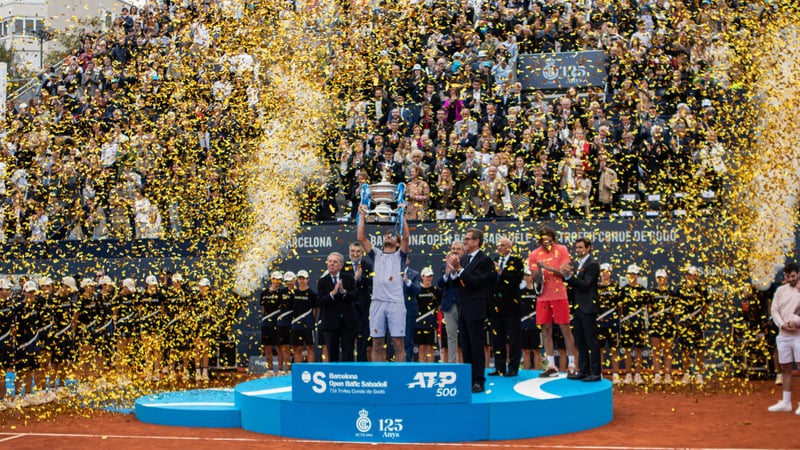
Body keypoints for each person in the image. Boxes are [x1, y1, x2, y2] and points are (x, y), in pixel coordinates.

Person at [357, 204, 410, 363]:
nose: (388, 237)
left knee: (398, 343)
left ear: (397, 244)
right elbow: (361, 237)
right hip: (377, 302)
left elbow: (406, 238)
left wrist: (402, 215)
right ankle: (377, 375)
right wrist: (361, 215)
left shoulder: (400, 256)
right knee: (377, 343)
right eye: (387, 235)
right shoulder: (376, 254)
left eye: (392, 235)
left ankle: (400, 373)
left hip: (396, 303)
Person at [446, 228, 495, 393]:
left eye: (467, 239)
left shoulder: (485, 260)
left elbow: (476, 282)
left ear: (476, 241)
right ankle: (469, 379)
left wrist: (460, 269)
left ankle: (479, 380)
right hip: (463, 308)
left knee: (476, 346)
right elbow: (457, 284)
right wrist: (453, 271)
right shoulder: (465, 259)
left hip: (476, 308)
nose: (465, 241)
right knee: (465, 346)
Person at [528, 226, 577, 377]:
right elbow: (534, 278)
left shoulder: (561, 249)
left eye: (549, 241)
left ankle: (572, 365)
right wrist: (538, 271)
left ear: (553, 239)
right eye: (544, 241)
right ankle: (551, 365)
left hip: (559, 295)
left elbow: (564, 272)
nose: (547, 244)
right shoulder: (534, 254)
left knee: (565, 329)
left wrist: (547, 267)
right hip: (543, 296)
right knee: (546, 330)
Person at [563, 237, 602, 382]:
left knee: (591, 341)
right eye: (577, 247)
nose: (578, 250)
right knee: (580, 341)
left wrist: (569, 277)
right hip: (577, 308)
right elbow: (572, 284)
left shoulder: (593, 264)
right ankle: (584, 370)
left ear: (588, 248)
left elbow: (586, 285)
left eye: (581, 247)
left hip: (588, 307)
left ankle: (596, 372)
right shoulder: (575, 264)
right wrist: (566, 277)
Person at [767, 262, 800, 413]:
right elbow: (774, 310)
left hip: (798, 335)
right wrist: (781, 325)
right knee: (785, 368)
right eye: (788, 276)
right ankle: (786, 402)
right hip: (783, 335)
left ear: (798, 274)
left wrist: (796, 323)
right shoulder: (780, 290)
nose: (790, 279)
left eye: (793, 276)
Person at [488, 237, 524, 377]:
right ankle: (499, 367)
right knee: (497, 338)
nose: (500, 247)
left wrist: (501, 272)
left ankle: (513, 367)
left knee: (514, 338)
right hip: (495, 306)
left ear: (509, 247)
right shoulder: (493, 261)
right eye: (499, 245)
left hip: (511, 306)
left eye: (503, 245)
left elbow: (517, 280)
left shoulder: (517, 261)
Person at [317, 252, 358, 362]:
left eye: (335, 262)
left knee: (348, 354)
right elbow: (320, 301)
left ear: (341, 265)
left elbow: (355, 296)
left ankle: (348, 372)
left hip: (347, 323)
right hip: (330, 323)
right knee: (332, 354)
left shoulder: (348, 278)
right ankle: (334, 373)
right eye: (330, 261)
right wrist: (332, 293)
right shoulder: (322, 281)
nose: (331, 264)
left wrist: (344, 292)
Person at [675, 265, 709, 386]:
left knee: (699, 349)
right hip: (685, 324)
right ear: (686, 276)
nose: (690, 277)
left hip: (697, 324)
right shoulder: (680, 290)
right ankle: (686, 374)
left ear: (696, 276)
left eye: (693, 275)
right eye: (688, 275)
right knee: (685, 350)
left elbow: (706, 306)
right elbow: (676, 306)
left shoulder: (702, 290)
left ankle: (699, 375)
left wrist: (699, 318)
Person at [342, 242, 373, 362]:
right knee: (348, 336)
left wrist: (360, 278)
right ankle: (348, 363)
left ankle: (362, 362)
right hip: (348, 306)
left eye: (358, 251)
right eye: (353, 251)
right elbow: (343, 284)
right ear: (349, 252)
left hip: (364, 306)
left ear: (362, 253)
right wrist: (354, 278)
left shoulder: (367, 265)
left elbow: (372, 281)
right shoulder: (344, 266)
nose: (355, 254)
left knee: (363, 335)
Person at [619, 264, 649, 385]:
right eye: (630, 274)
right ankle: (628, 375)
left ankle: (637, 375)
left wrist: (644, 322)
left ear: (638, 276)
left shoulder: (643, 290)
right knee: (627, 350)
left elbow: (647, 307)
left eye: (634, 274)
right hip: (626, 323)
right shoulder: (623, 290)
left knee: (638, 350)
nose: (632, 276)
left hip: (639, 324)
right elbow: (619, 307)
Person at [437, 241, 464, 363]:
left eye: (458, 249)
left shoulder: (466, 265)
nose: (455, 251)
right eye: (453, 248)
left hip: (463, 304)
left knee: (466, 335)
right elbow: (440, 284)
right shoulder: (444, 266)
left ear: (463, 251)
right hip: (449, 305)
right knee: (451, 336)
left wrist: (455, 272)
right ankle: (452, 363)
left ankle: (466, 363)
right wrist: (447, 273)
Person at [649, 269, 677, 385]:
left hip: (668, 326)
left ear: (666, 279)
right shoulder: (652, 294)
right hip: (655, 326)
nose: (660, 280)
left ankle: (667, 375)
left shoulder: (672, 294)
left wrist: (668, 320)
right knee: (656, 351)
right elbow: (649, 309)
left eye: (662, 277)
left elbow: (675, 311)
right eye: (658, 278)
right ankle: (657, 375)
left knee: (667, 351)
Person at [597, 264, 622, 383]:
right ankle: (599, 373)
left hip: (613, 324)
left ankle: (615, 374)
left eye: (607, 271)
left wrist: (616, 318)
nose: (604, 273)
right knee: (599, 349)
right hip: (599, 324)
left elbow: (620, 307)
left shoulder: (616, 288)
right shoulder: (596, 287)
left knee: (614, 349)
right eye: (602, 271)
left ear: (611, 273)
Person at [289, 270, 317, 363]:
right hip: (296, 325)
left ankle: (311, 369)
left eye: (303, 278)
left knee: (310, 348)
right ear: (297, 280)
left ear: (307, 280)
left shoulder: (312, 294)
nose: (301, 281)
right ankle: (298, 369)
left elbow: (315, 310)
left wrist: (309, 321)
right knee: (297, 349)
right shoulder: (293, 293)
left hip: (308, 326)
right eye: (300, 278)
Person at [415, 267, 441, 362]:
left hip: (431, 323)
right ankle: (421, 367)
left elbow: (439, 305)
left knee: (430, 346)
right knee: (421, 346)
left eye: (430, 276)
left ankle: (431, 367)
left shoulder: (435, 290)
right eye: (427, 276)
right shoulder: (417, 290)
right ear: (422, 277)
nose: (429, 278)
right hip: (419, 322)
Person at [259, 271, 283, 374]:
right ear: (271, 279)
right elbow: (263, 308)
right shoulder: (264, 293)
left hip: (277, 324)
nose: (277, 282)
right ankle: (270, 369)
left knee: (278, 346)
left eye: (279, 280)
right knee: (267, 346)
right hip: (266, 324)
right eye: (275, 279)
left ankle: (280, 370)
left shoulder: (282, 293)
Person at [520, 267, 542, 370]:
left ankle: (537, 371)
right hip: (523, 324)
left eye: (529, 275)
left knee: (536, 350)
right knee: (526, 350)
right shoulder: (520, 292)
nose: (527, 277)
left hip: (536, 325)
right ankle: (526, 372)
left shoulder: (538, 292)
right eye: (526, 275)